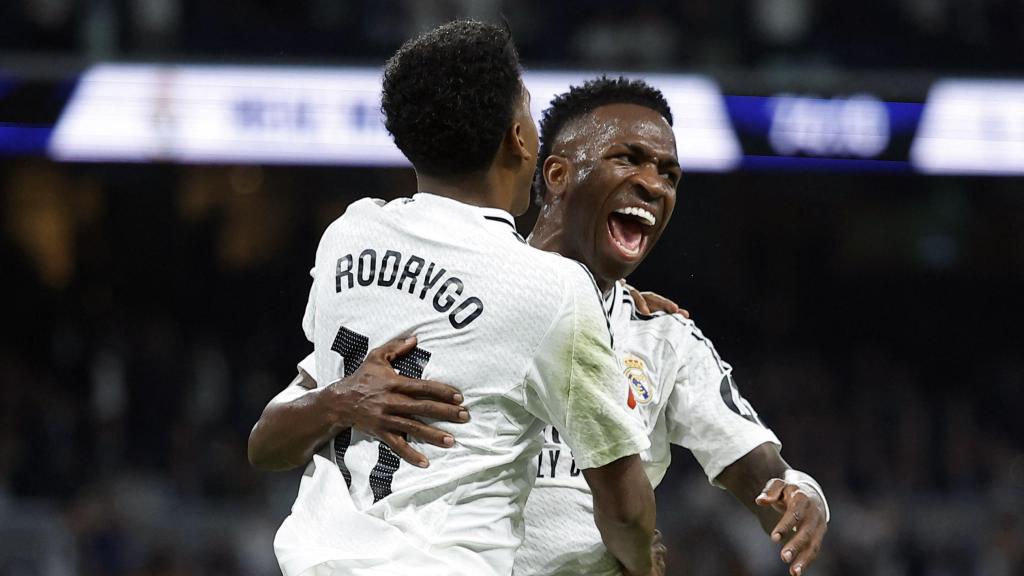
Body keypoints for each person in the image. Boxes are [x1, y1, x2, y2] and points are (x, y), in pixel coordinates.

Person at [253, 75, 829, 575]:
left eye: (669, 174)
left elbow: (755, 464)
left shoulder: (663, 337)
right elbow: (269, 440)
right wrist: (339, 401)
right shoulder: (446, 290)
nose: (654, 184)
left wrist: (801, 490)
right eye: (628, 158)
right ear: (555, 173)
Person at [268, 21, 658, 576]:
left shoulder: (347, 238)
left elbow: (268, 443)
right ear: (517, 139)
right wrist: (643, 564)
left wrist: (338, 401)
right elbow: (623, 505)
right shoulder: (551, 287)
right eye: (526, 107)